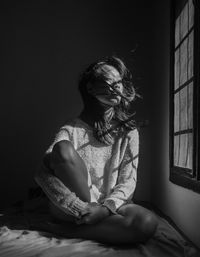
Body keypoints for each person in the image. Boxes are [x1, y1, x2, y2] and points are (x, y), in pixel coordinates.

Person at [35, 56, 158, 245]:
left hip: (113, 206)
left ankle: (66, 231)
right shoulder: (71, 129)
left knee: (147, 222)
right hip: (74, 207)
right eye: (110, 81)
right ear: (90, 88)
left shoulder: (129, 132)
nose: (117, 86)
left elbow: (128, 181)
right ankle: (88, 221)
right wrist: (78, 207)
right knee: (62, 148)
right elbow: (43, 172)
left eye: (120, 82)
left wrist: (105, 209)